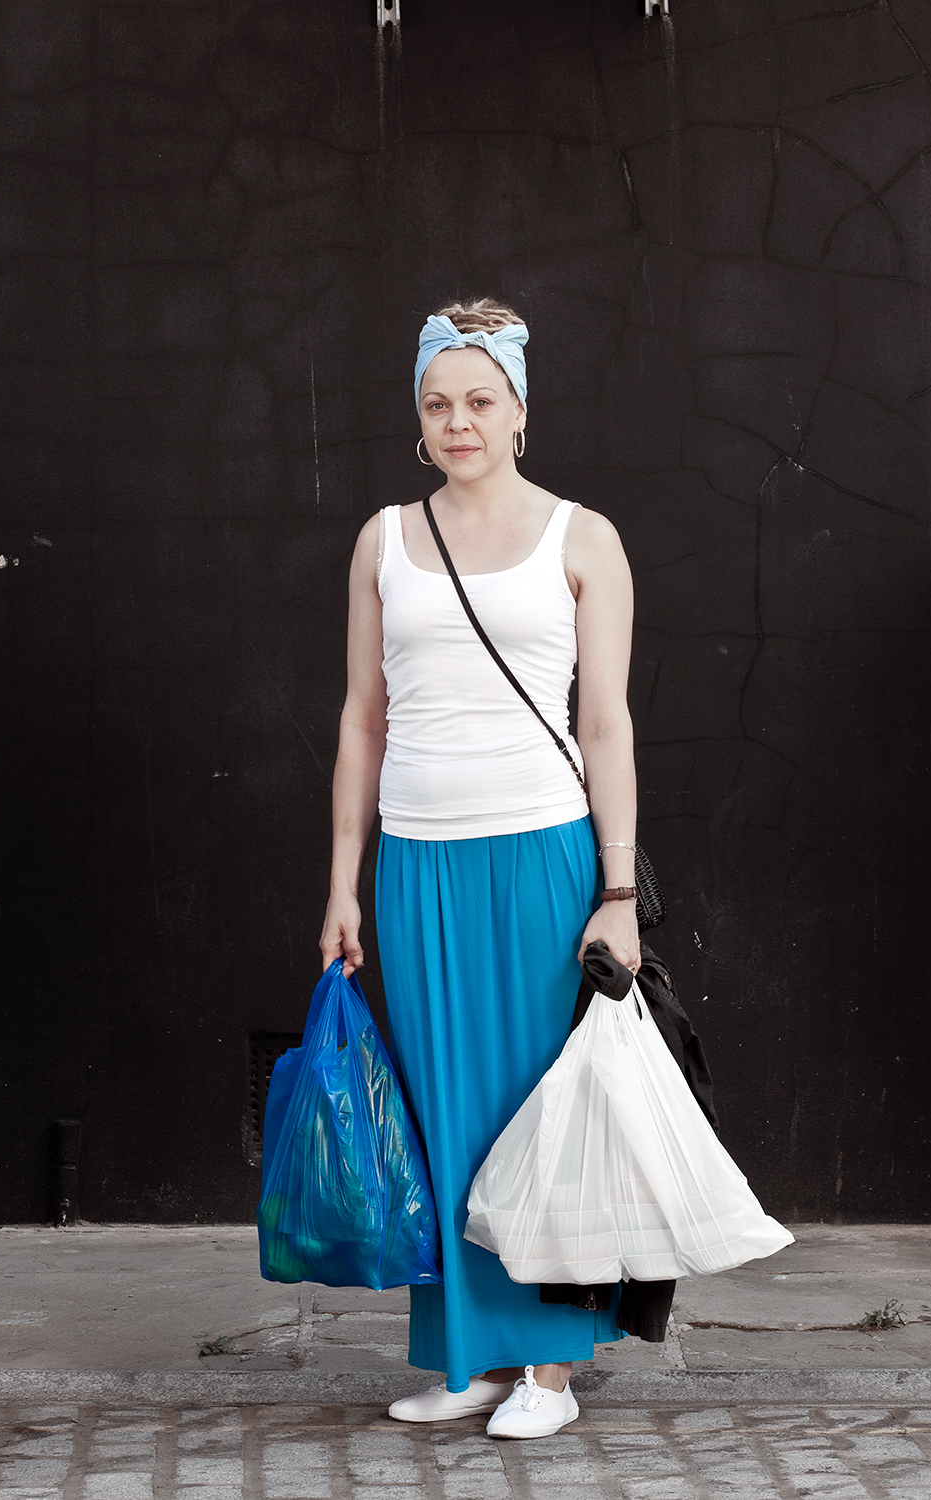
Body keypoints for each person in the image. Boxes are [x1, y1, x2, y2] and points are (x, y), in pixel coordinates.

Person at [318, 297, 640, 1439]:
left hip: (543, 853)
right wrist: (343, 881)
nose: (459, 422)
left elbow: (606, 724)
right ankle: (474, 1357)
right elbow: (362, 718)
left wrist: (617, 892)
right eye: (437, 404)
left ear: (519, 411)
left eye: (480, 401)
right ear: (419, 420)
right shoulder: (384, 540)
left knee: (537, 1110)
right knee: (444, 1106)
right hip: (417, 862)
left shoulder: (582, 538)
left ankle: (550, 1368)